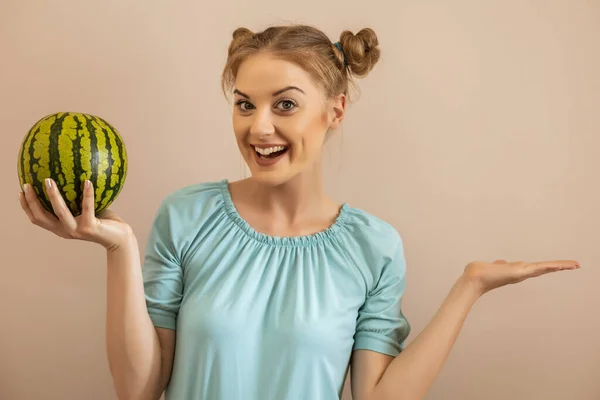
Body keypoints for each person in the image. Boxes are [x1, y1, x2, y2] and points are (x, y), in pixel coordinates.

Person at [18, 24, 579, 400]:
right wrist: (121, 249)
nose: (258, 127)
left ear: (335, 110)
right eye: (244, 104)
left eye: (284, 104)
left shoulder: (374, 245)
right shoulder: (185, 216)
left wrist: (470, 287)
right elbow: (139, 390)